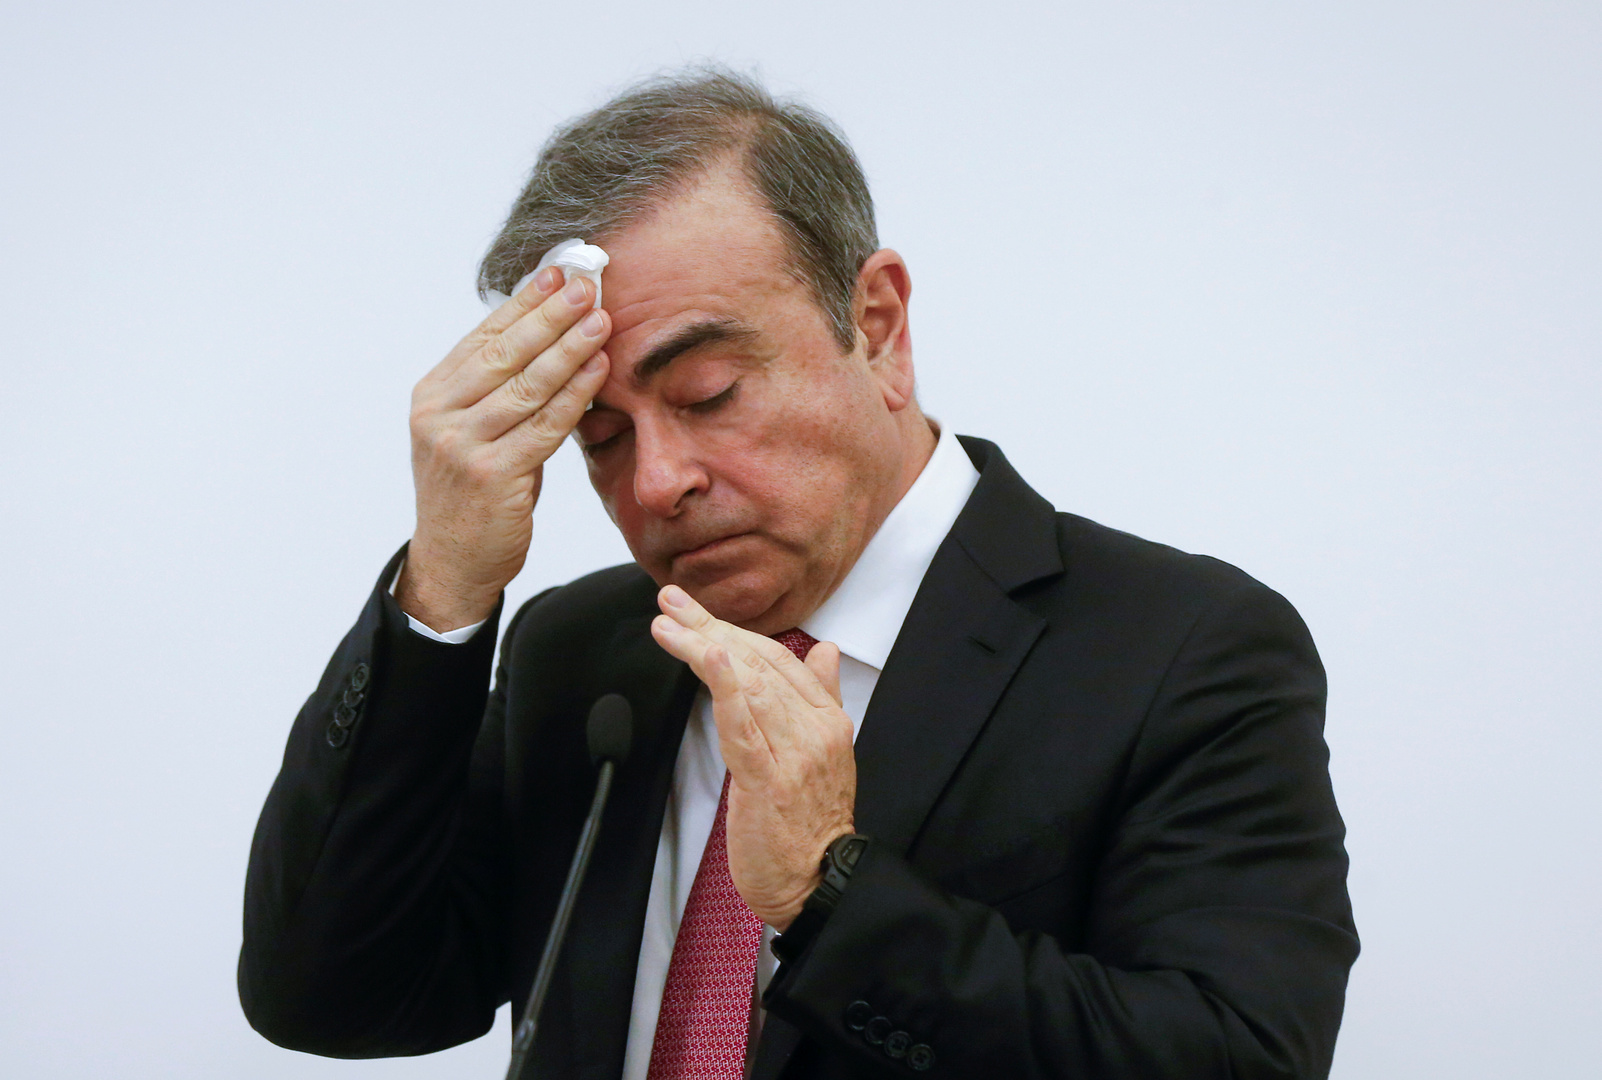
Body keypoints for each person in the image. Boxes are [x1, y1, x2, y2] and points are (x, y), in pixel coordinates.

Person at [239, 69, 1357, 1080]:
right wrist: (443, 594)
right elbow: (332, 996)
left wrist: (830, 891)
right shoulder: (580, 655)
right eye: (600, 437)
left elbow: (1239, 1057)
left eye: (709, 393)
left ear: (877, 326)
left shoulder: (1181, 649)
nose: (657, 482)